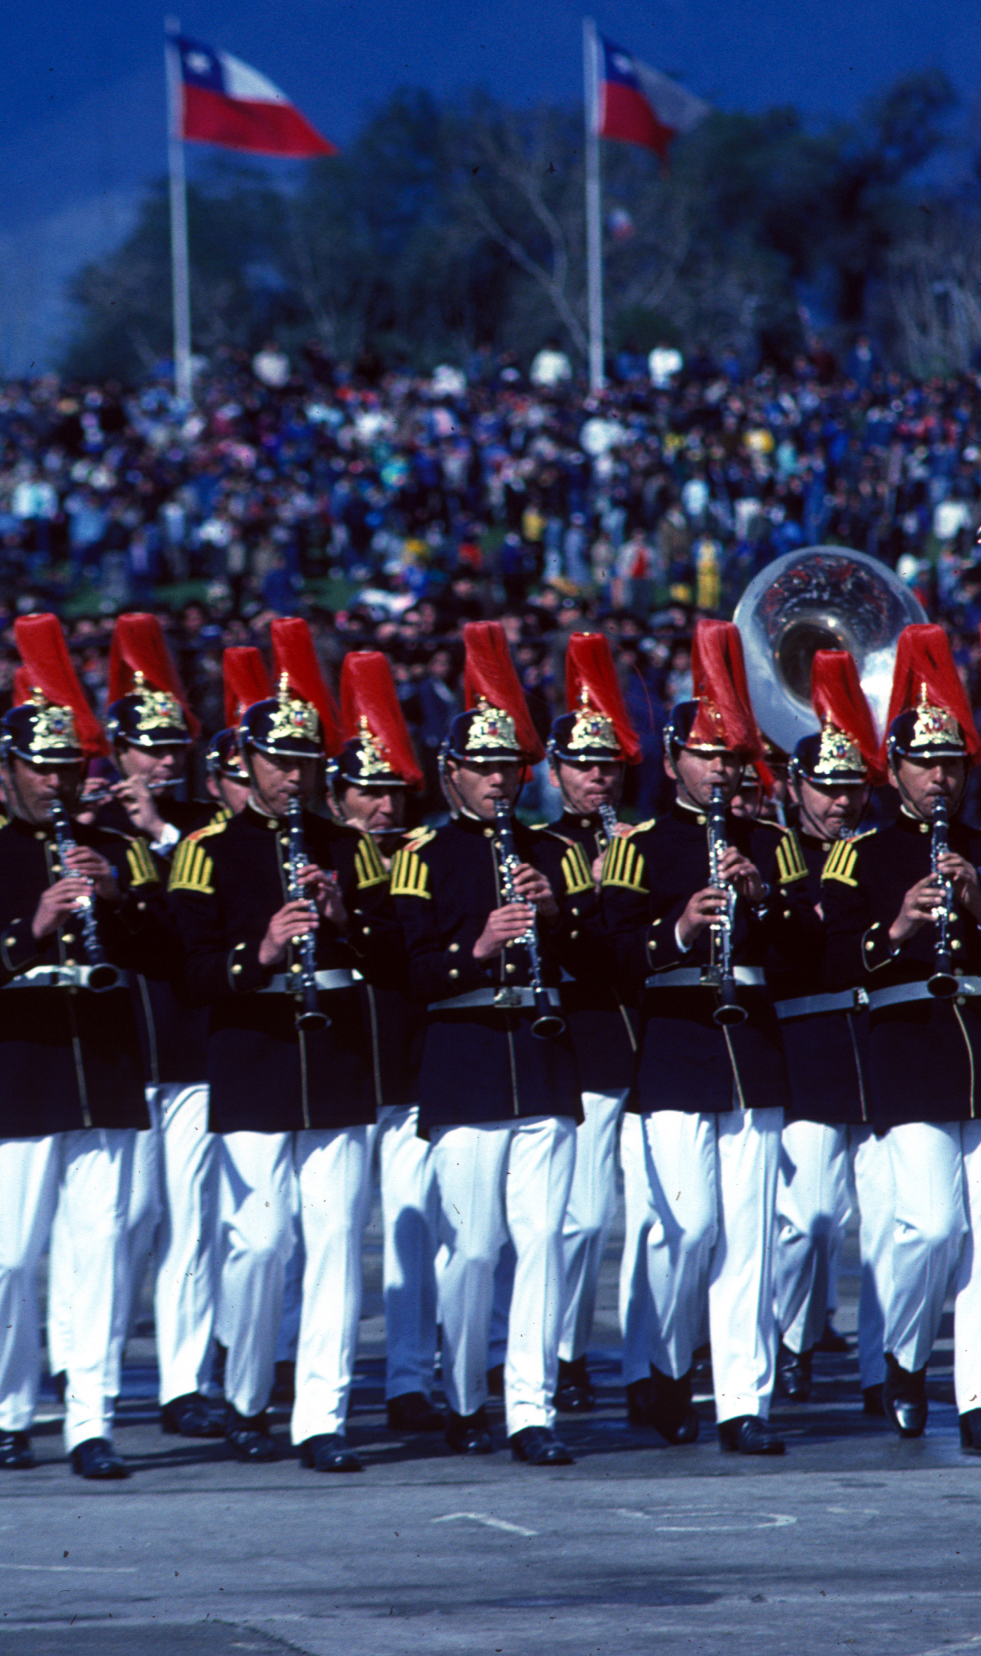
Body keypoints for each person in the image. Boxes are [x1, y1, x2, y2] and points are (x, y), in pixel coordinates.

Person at [0, 622, 175, 1479]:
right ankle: (6, 1409)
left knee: (100, 1249)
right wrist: (31, 927)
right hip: (19, 1065)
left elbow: (170, 955)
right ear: (9, 771)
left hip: (104, 1066)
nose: (56, 782)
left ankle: (89, 1421)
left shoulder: (119, 851)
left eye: (67, 768)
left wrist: (122, 897)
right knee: (10, 1254)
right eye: (40, 768)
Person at [165, 620, 399, 1470]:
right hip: (253, 1052)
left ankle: (321, 1417)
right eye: (277, 761)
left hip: (335, 1055)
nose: (292, 776)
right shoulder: (206, 852)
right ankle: (246, 1395)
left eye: (304, 762)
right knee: (259, 1242)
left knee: (334, 1244)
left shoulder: (348, 848)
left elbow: (394, 959)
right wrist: (259, 951)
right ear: (249, 761)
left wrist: (343, 917)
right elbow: (189, 970)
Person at [597, 621, 816, 1455]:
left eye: (730, 757)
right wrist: (682, 928)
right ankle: (664, 1364)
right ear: (672, 762)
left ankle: (743, 1400)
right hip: (676, 1045)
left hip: (752, 1047)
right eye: (704, 755)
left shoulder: (773, 845)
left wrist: (763, 899)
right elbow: (616, 956)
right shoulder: (641, 847)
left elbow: (807, 956)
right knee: (685, 1228)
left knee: (748, 1233)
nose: (720, 770)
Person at [817, 626, 981, 1454]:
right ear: (894, 770)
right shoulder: (860, 854)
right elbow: (836, 956)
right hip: (910, 1045)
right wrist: (901, 923)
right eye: (924, 765)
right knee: (932, 1227)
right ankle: (905, 1355)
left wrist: (979, 907)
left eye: (951, 765)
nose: (940, 779)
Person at [390, 624, 585, 1465]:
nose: (499, 781)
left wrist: (556, 915)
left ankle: (530, 1408)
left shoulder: (553, 853)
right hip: (465, 1058)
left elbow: (602, 963)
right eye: (483, 768)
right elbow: (409, 970)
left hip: (542, 1058)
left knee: (542, 1239)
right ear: (452, 774)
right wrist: (476, 947)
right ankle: (467, 1394)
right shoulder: (422, 856)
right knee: (472, 1247)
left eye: (509, 767)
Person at [93, 621, 231, 1440]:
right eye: (147, 749)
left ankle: (185, 1382)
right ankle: (96, 1376)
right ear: (116, 751)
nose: (162, 761)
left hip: (188, 1043)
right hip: (115, 1047)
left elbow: (204, 922)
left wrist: (162, 835)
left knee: (192, 1220)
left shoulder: (200, 829)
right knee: (119, 1222)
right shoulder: (84, 826)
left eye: (173, 747)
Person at [768, 661, 879, 1410]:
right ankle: (791, 1339)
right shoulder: (778, 856)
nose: (840, 801)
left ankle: (882, 1364)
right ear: (794, 787)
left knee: (885, 1223)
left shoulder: (879, 852)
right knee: (807, 1218)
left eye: (850, 787)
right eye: (825, 787)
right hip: (805, 1046)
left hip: (878, 1042)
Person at [334, 648, 439, 1434]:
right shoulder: (312, 856)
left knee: (414, 1232)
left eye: (392, 790)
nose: (381, 804)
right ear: (337, 796)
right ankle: (291, 1369)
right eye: (366, 790)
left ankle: (409, 1380)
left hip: (408, 1071)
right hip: (334, 1074)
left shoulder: (426, 858)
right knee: (323, 1238)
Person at [543, 632, 643, 1415]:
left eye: (605, 765)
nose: (595, 777)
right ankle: (563, 1350)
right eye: (581, 765)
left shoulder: (641, 841)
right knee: (578, 1219)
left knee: (650, 1218)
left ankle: (650, 1359)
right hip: (582, 1037)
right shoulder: (538, 847)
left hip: (649, 1036)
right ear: (555, 773)